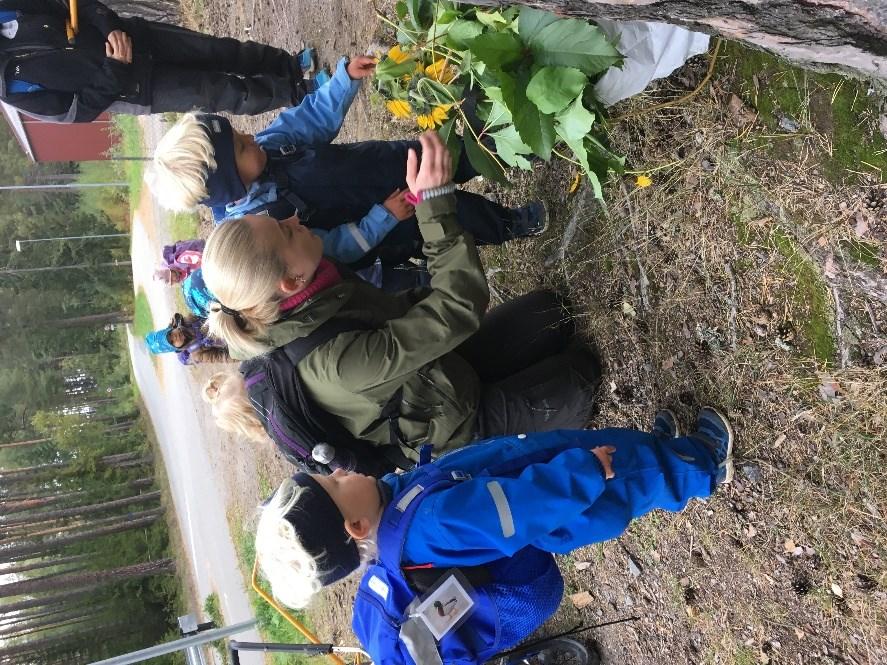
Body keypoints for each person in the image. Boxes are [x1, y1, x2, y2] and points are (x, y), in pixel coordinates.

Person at [198, 132, 599, 461]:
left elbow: (404, 311)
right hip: (452, 422)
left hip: (439, 367)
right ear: (289, 279)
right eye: (284, 231)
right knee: (582, 377)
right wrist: (435, 203)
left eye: (278, 219)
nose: (293, 219)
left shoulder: (306, 293)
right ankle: (492, 449)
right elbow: (457, 308)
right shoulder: (335, 365)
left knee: (553, 310)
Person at [253, 409, 735, 664]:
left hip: (536, 476)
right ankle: (703, 465)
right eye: (335, 485)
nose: (339, 470)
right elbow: (513, 512)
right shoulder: (431, 525)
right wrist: (582, 475)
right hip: (561, 494)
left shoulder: (389, 515)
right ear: (355, 527)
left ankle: (659, 448)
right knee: (628, 475)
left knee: (620, 454)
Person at [148, 57, 546, 272]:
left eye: (239, 134)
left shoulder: (269, 148)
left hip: (382, 164)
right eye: (239, 147)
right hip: (394, 214)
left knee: (450, 155)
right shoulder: (265, 223)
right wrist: (383, 219)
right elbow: (332, 246)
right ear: (232, 184)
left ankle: (516, 144)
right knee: (458, 217)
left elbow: (309, 120)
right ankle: (512, 224)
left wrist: (342, 81)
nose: (250, 137)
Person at [0, 0, 317, 123]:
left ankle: (288, 65)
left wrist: (110, 26)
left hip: (140, 37)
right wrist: (116, 69)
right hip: (139, 88)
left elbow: (71, 4)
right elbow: (77, 111)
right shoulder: (12, 89)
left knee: (221, 50)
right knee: (224, 92)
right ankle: (298, 92)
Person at [145, 312, 230, 365]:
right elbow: (222, 356)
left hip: (227, 317)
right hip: (232, 340)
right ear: (174, 348)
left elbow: (206, 309)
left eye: (170, 334)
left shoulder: (189, 321)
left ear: (171, 329)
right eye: (172, 341)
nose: (174, 337)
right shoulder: (196, 354)